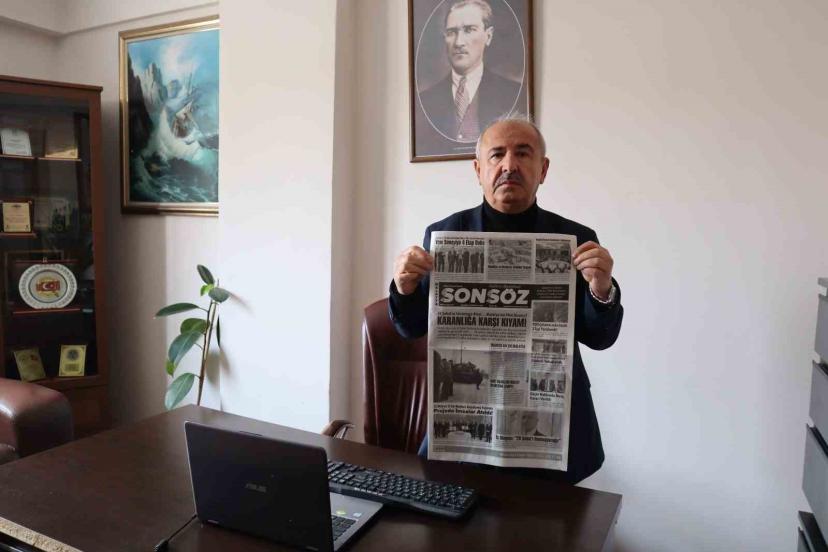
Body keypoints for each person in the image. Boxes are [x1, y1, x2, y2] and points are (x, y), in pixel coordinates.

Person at [388, 117, 624, 484]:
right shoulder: (444, 235)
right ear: (478, 169)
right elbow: (410, 328)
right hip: (466, 433)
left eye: (523, 154)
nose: (509, 165)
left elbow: (600, 337)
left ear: (543, 169)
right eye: (497, 155)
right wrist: (403, 287)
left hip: (553, 432)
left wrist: (601, 290)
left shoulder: (576, 239)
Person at [417, 0, 522, 143]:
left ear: (488, 36)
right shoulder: (425, 101)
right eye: (451, 32)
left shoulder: (513, 94)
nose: (459, 42)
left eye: (469, 30)